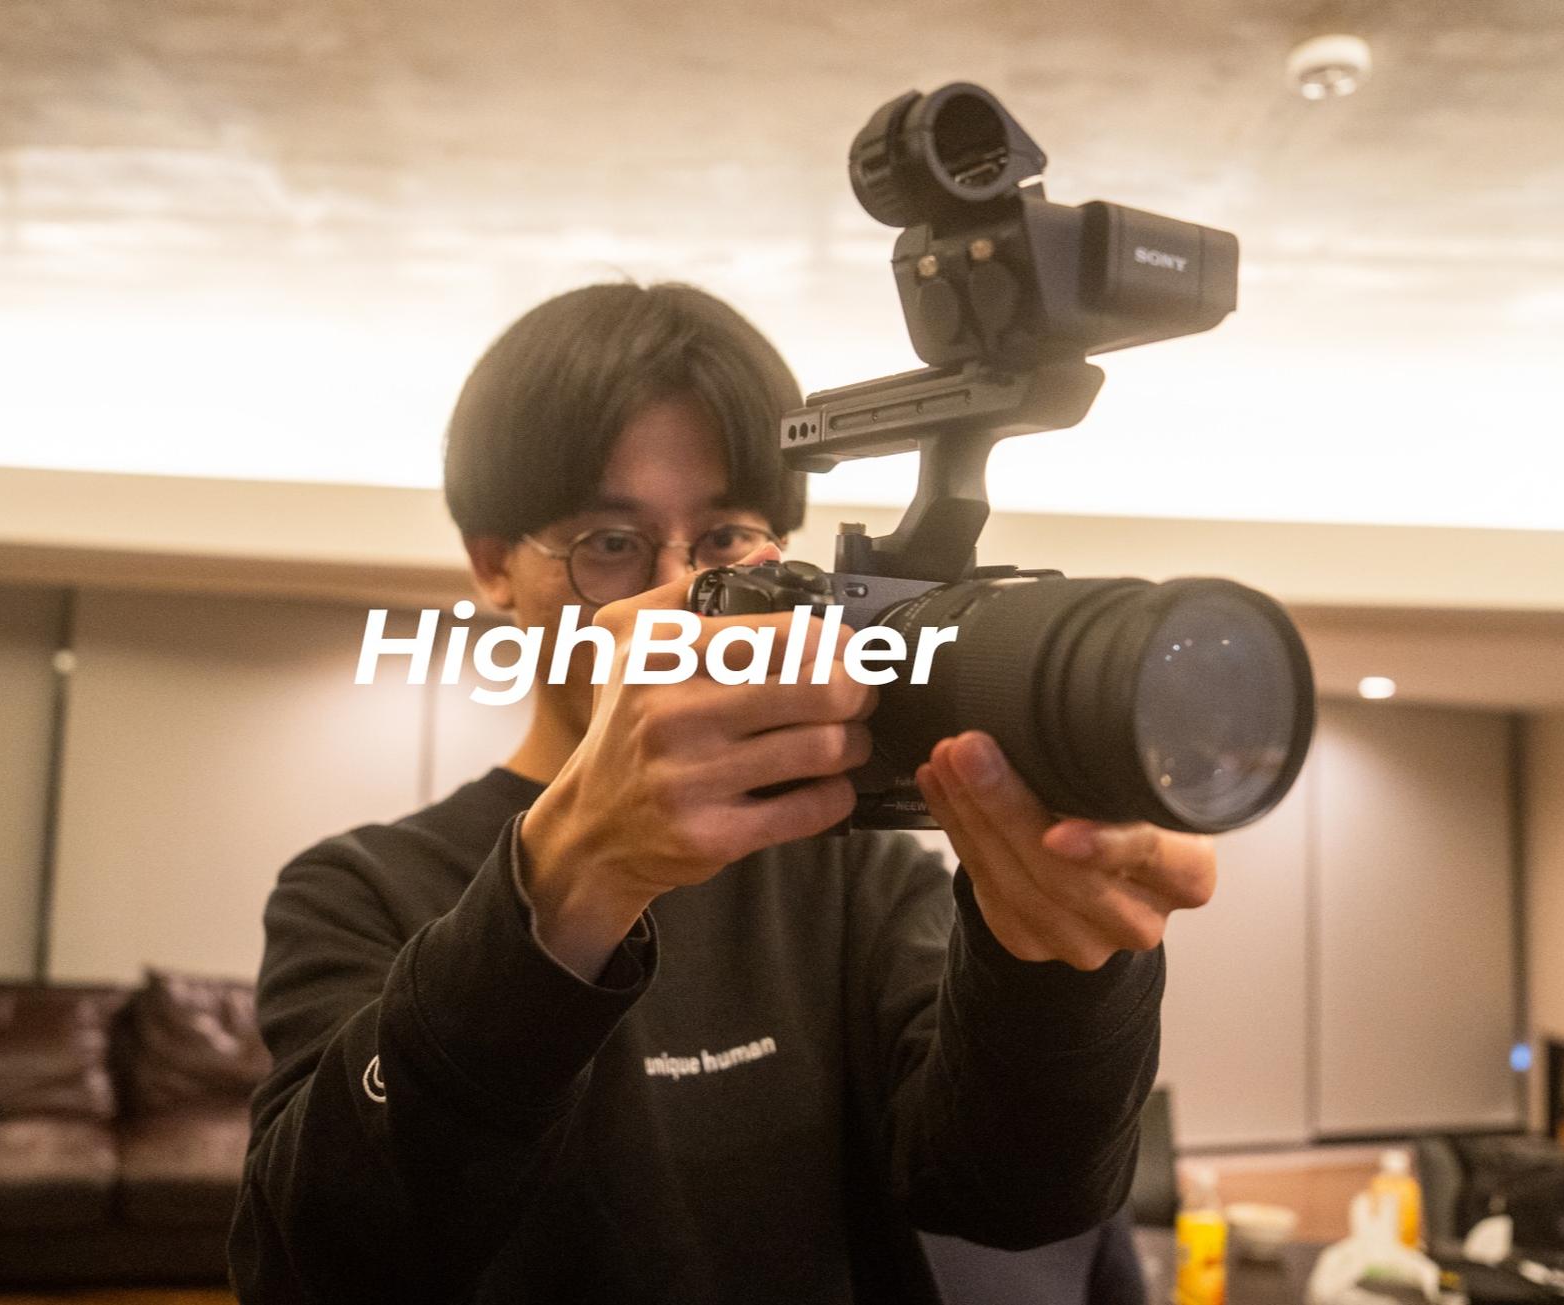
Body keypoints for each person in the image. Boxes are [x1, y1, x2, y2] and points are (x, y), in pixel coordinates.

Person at [228, 282, 1217, 1303]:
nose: (678, 600)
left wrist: (1061, 965)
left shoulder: (857, 873)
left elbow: (1012, 1195)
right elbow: (313, 1265)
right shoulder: (361, 889)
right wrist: (569, 881)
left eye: (725, 544)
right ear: (492, 566)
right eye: (610, 544)